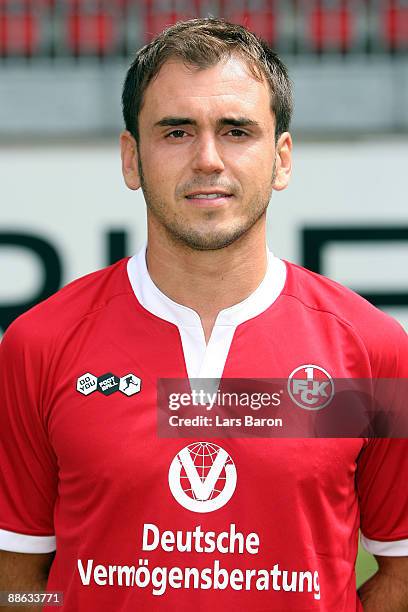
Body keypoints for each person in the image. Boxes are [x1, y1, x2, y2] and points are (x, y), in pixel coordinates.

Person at [0, 17, 407, 612]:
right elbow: (17, 578)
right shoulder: (38, 344)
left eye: (237, 130)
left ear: (282, 158)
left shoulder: (372, 351)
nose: (208, 159)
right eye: (176, 132)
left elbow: (399, 572)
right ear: (131, 158)